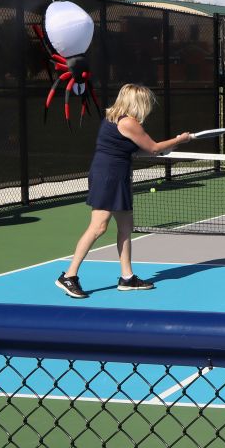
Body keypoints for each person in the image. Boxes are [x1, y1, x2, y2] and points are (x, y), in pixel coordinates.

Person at [56, 84, 192, 298]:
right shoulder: (128, 122)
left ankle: (127, 277)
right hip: (108, 176)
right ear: (137, 102)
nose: (148, 107)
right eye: (146, 102)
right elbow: (154, 148)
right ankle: (69, 276)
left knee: (125, 227)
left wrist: (170, 146)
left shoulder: (117, 120)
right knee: (98, 227)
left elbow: (142, 151)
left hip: (118, 175)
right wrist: (180, 139)